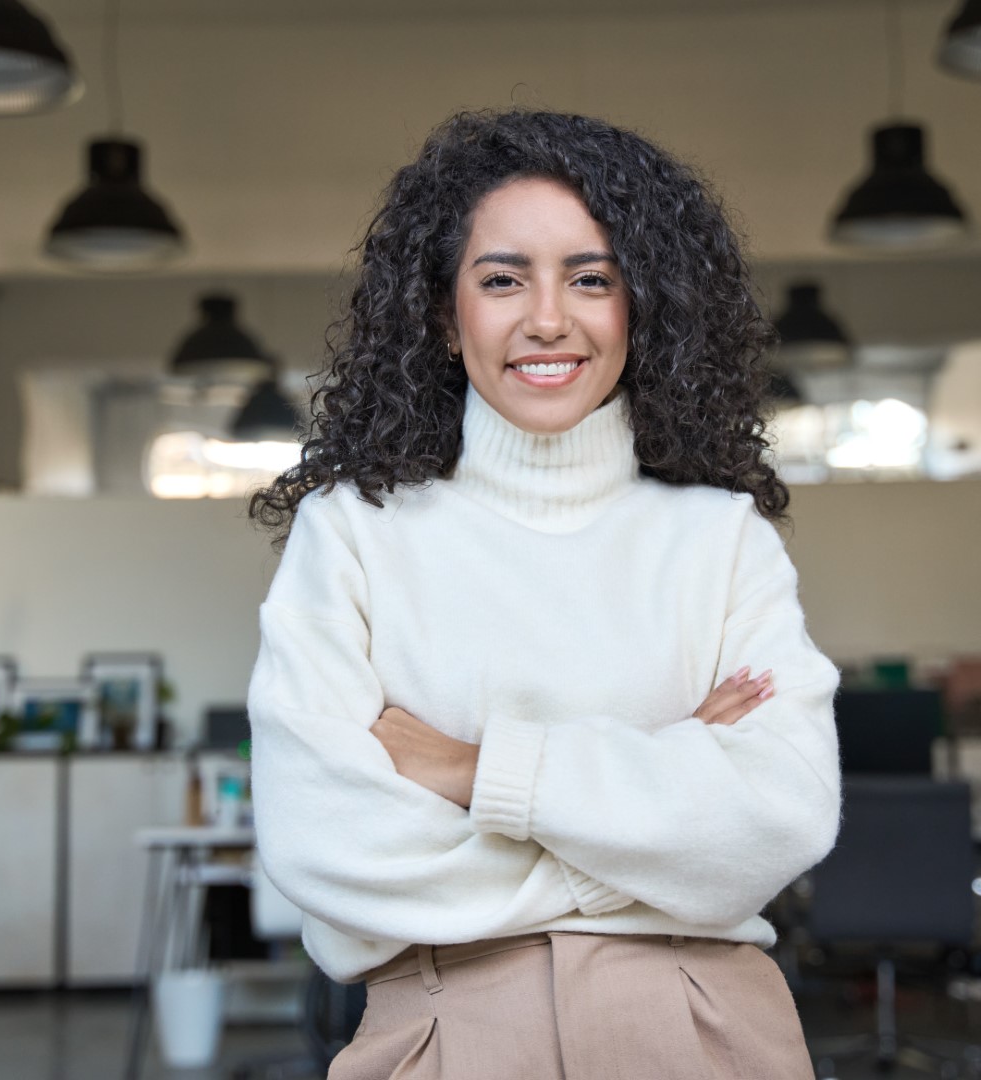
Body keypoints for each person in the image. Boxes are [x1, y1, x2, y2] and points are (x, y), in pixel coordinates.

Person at [247, 109, 841, 1080]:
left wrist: (476, 774)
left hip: (701, 1035)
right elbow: (327, 843)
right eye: (502, 278)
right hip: (442, 1038)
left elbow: (782, 819)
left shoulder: (719, 540)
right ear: (444, 313)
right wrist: (666, 800)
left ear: (643, 305)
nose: (548, 318)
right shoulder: (354, 533)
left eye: (592, 278)